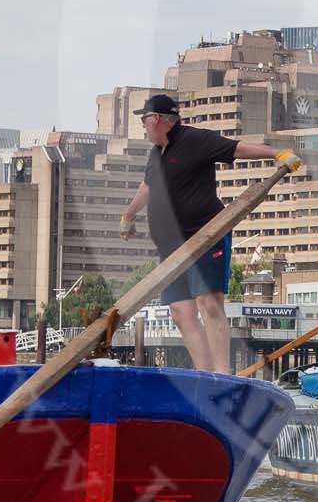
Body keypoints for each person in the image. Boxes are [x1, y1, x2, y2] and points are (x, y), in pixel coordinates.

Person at [119, 93, 298, 372]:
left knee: (209, 302)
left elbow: (236, 148)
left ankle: (222, 374)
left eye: (144, 119)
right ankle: (204, 373)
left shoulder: (194, 140)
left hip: (207, 235)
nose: (142, 125)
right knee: (180, 311)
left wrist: (277, 154)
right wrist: (128, 215)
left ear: (156, 119)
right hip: (171, 249)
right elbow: (148, 186)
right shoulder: (156, 155)